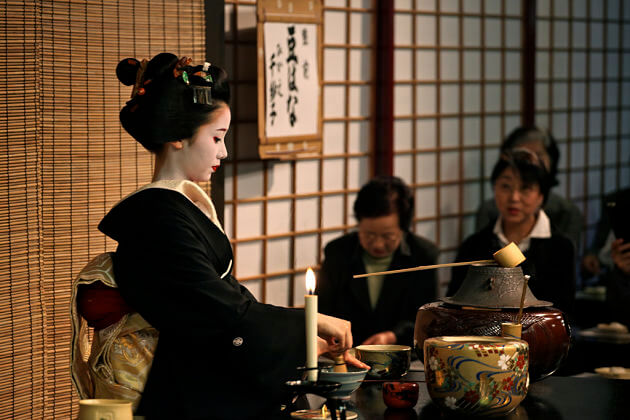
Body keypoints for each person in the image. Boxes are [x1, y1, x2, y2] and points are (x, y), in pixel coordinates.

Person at [84, 53, 366, 419]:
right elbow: (219, 313)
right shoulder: (156, 217)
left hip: (202, 373)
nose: (224, 151)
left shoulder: (178, 206)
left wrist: (308, 340)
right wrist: (308, 324)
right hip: (187, 393)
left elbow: (228, 304)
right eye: (217, 137)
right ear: (177, 136)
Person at [448, 149, 576, 315]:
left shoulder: (560, 247)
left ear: (541, 196)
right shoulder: (474, 245)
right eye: (506, 186)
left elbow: (563, 311)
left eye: (525, 188)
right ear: (494, 188)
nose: (514, 197)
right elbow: (454, 304)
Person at [316, 176, 438, 348]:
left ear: (403, 228)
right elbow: (323, 310)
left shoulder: (422, 255)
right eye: (369, 235)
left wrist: (393, 335)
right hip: (343, 353)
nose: (378, 244)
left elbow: (428, 318)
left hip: (400, 354)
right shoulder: (338, 252)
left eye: (387, 236)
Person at [475, 126, 584, 249]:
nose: (514, 198)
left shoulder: (566, 212)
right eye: (521, 156)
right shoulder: (489, 211)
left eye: (537, 156)